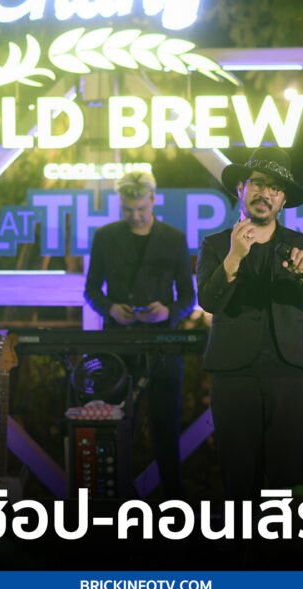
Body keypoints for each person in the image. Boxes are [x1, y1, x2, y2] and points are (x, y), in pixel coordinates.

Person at [196, 146, 303, 499]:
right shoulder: (215, 245)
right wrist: (234, 257)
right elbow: (208, 301)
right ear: (241, 188)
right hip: (234, 375)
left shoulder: (301, 245)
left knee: (289, 477)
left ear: (283, 200)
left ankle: (284, 538)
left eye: (275, 188)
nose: (265, 194)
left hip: (288, 374)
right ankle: (242, 538)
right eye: (258, 183)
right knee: (239, 479)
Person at [84, 170, 196, 498]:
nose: (135, 216)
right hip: (118, 346)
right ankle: (113, 503)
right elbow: (92, 290)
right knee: (116, 430)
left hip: (163, 347)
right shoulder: (105, 237)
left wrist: (167, 312)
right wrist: (111, 309)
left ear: (153, 200)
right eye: (128, 210)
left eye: (141, 209)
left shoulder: (174, 238)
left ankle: (174, 503)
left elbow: (188, 297)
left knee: (166, 429)